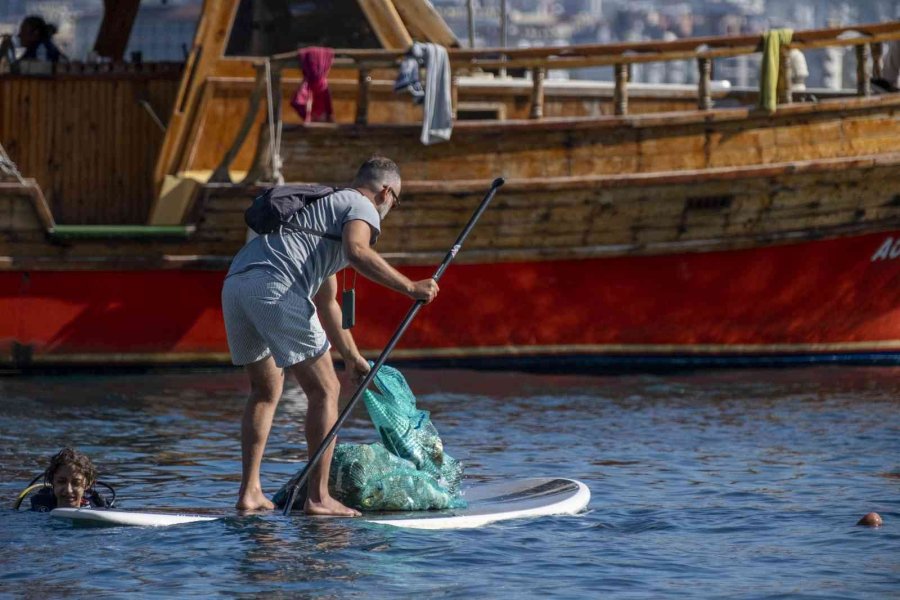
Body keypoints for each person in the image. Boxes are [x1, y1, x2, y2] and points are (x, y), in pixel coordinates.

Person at [222, 156, 439, 516]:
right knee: (325, 390)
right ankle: (319, 498)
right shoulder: (359, 204)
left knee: (265, 389)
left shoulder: (323, 213)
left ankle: (250, 493)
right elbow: (359, 251)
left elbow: (328, 304)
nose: (390, 209)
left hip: (236, 283)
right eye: (395, 202)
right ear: (385, 191)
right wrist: (410, 287)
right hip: (275, 285)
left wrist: (353, 358)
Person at [27, 448, 109, 511]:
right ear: (52, 482)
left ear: (87, 484)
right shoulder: (41, 505)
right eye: (61, 482)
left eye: (76, 483)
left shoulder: (98, 507)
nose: (68, 490)